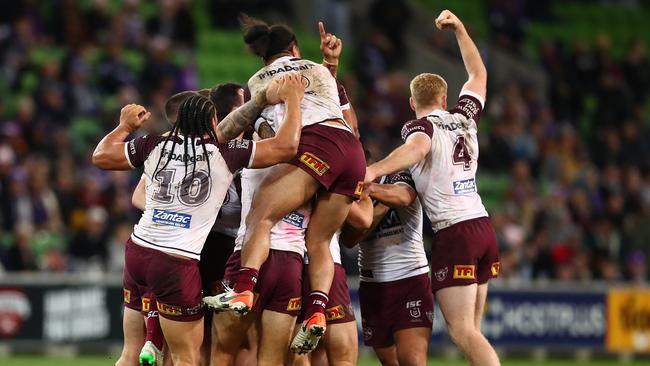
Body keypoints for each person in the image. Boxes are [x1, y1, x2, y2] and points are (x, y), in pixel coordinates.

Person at [92, 74, 305, 366]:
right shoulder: (224, 154)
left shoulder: (153, 144)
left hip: (138, 251)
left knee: (130, 352)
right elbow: (286, 147)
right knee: (186, 358)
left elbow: (101, 156)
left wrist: (124, 126)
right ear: (214, 123)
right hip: (176, 261)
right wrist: (293, 99)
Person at [206, 17, 366, 353]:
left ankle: (245, 288)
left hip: (316, 145)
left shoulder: (258, 80)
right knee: (320, 240)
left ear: (264, 56)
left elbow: (270, 137)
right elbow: (350, 124)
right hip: (352, 152)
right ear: (295, 48)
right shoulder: (323, 72)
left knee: (260, 216)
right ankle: (318, 312)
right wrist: (331, 63)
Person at [365, 10, 500, 366]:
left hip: (454, 234)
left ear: (413, 104)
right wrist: (461, 29)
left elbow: (419, 149)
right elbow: (478, 74)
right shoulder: (464, 116)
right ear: (443, 99)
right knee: (473, 330)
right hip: (483, 227)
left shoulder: (418, 127)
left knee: (463, 333)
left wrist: (372, 171)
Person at [130, 83, 251, 366]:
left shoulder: (163, 146)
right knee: (224, 341)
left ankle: (152, 337)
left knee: (177, 330)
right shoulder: (223, 148)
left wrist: (169, 215)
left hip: (168, 245)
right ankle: (154, 338)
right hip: (214, 246)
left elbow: (138, 195)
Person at [341, 169, 433, 366]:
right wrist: (378, 209)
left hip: (409, 278)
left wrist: (370, 190)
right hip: (372, 285)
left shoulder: (399, 176)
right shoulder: (349, 191)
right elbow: (348, 239)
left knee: (412, 361)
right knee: (388, 361)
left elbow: (404, 197)